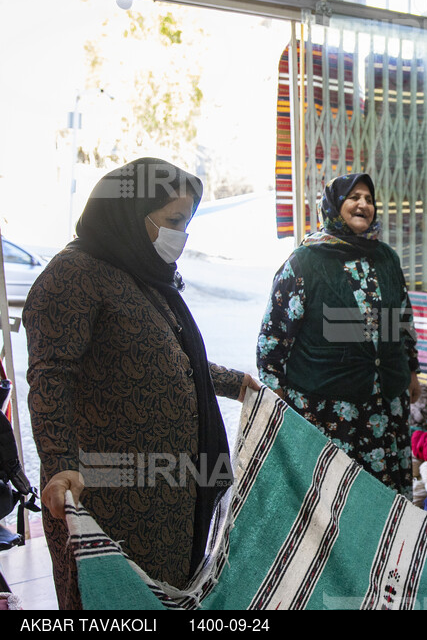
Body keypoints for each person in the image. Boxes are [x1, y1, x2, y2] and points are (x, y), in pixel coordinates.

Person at [23, 157, 260, 610]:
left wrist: (235, 383)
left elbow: (168, 360)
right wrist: (58, 464)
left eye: (187, 223)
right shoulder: (74, 275)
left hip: (165, 495)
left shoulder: (145, 278)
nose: (181, 236)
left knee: (162, 596)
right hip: (108, 495)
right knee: (114, 603)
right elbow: (50, 375)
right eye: (173, 221)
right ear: (131, 213)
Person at [257, 173, 421, 498]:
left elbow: (402, 317)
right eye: (354, 197)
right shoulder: (304, 262)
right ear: (334, 205)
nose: (363, 204)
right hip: (330, 413)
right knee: (340, 502)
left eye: (369, 199)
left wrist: (411, 369)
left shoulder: (386, 258)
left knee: (386, 501)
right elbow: (272, 344)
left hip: (386, 407)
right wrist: (281, 406)